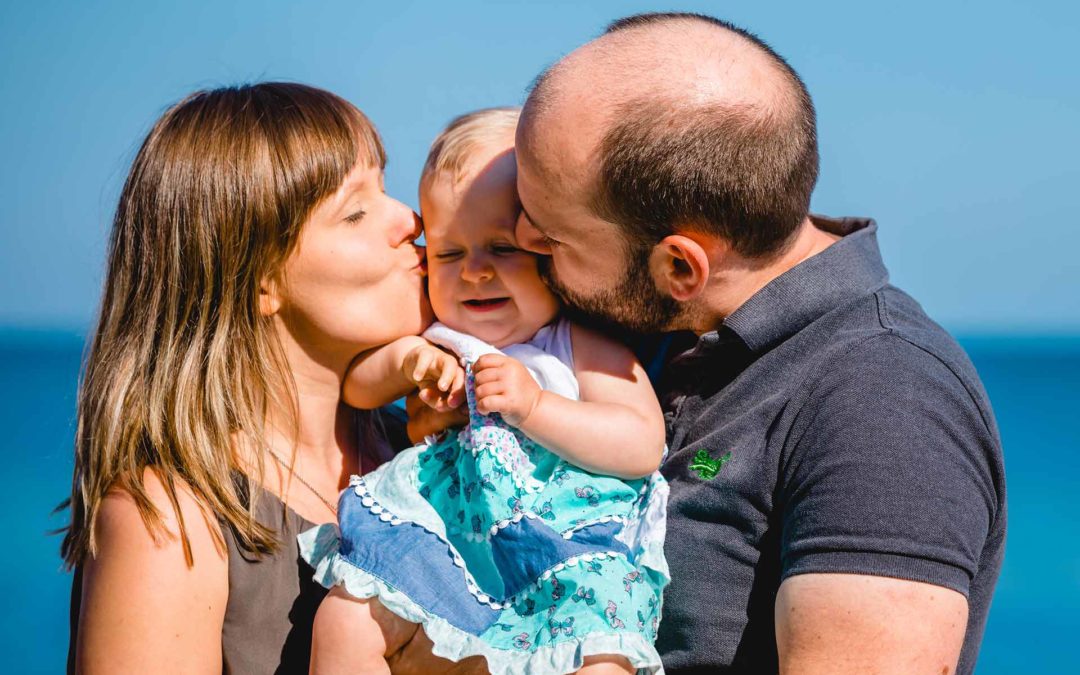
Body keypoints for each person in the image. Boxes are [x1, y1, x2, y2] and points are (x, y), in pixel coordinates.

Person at [413, 11, 1006, 675]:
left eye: (551, 236)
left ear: (680, 269)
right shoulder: (642, 325)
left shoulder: (884, 404)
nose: (522, 240)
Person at [61, 82, 432, 673]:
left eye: (384, 188)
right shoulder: (168, 522)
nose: (409, 219)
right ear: (260, 280)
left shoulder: (428, 450)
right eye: (356, 212)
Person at [302, 108, 669, 675]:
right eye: (448, 254)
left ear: (551, 250)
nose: (474, 272)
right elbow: (358, 385)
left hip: (564, 551)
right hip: (447, 542)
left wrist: (536, 407)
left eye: (501, 249)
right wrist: (410, 361)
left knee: (601, 657)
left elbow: (641, 444)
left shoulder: (577, 344)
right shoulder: (443, 339)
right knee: (347, 615)